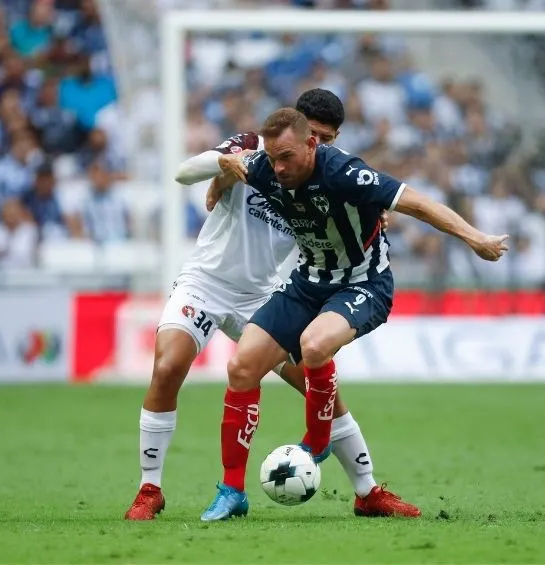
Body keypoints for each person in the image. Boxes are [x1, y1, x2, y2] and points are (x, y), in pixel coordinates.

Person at [124, 90, 421, 521]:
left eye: (325, 138)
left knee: (319, 390)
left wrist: (374, 216)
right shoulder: (253, 149)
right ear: (294, 124)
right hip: (205, 283)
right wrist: (221, 165)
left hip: (261, 295)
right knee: (169, 366)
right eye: (311, 132)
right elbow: (185, 173)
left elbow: (363, 213)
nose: (315, 144)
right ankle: (149, 489)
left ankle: (367, 490)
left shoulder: (326, 175)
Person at [201, 108, 509, 521]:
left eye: (286, 157)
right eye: (272, 158)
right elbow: (234, 170)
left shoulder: (345, 173)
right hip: (308, 282)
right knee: (241, 367)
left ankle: (317, 438)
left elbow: (416, 203)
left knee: (314, 344)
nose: (278, 168)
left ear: (313, 143)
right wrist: (220, 179)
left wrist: (476, 238)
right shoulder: (268, 167)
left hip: (363, 284)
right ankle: (232, 490)